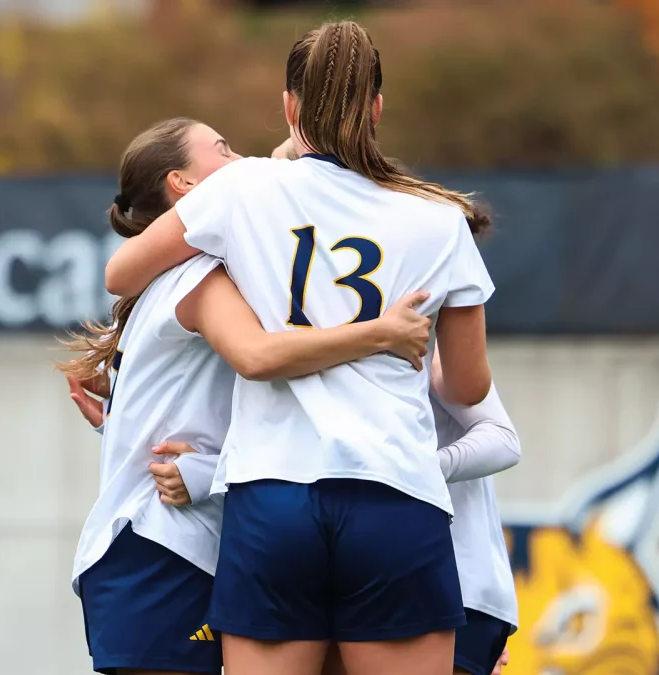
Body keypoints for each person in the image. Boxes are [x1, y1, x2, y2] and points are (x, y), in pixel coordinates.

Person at [102, 20, 496, 675]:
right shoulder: (438, 217)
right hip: (394, 492)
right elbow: (468, 387)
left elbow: (122, 274)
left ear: (288, 107)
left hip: (271, 497)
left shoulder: (240, 188)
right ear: (376, 108)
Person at [61, 117, 435, 675]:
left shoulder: (196, 266)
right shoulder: (199, 275)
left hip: (169, 548)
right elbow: (258, 357)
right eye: (224, 149)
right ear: (183, 184)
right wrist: (381, 332)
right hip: (162, 550)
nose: (243, 160)